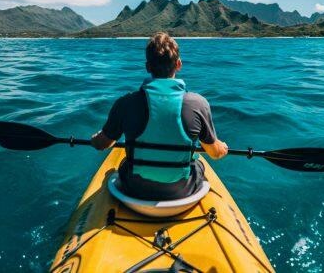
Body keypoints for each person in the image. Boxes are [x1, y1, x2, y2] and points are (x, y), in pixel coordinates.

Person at [91, 32, 229, 201]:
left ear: (148, 67)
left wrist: (95, 138)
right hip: (183, 190)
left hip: (134, 188)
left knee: (119, 167)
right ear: (178, 64)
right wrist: (222, 147)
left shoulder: (125, 103)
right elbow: (215, 153)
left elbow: (102, 144)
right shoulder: (199, 104)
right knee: (199, 163)